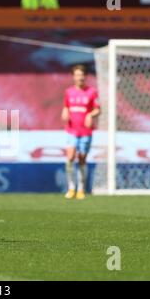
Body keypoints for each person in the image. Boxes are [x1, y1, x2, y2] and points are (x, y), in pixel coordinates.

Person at [61, 65, 100, 200]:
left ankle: (81, 189)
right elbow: (66, 107)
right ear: (74, 77)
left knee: (82, 159)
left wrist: (90, 115)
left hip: (86, 131)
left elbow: (97, 109)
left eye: (81, 75)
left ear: (85, 76)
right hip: (71, 130)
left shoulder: (92, 92)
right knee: (70, 157)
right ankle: (71, 188)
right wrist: (65, 112)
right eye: (77, 75)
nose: (79, 77)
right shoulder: (69, 92)